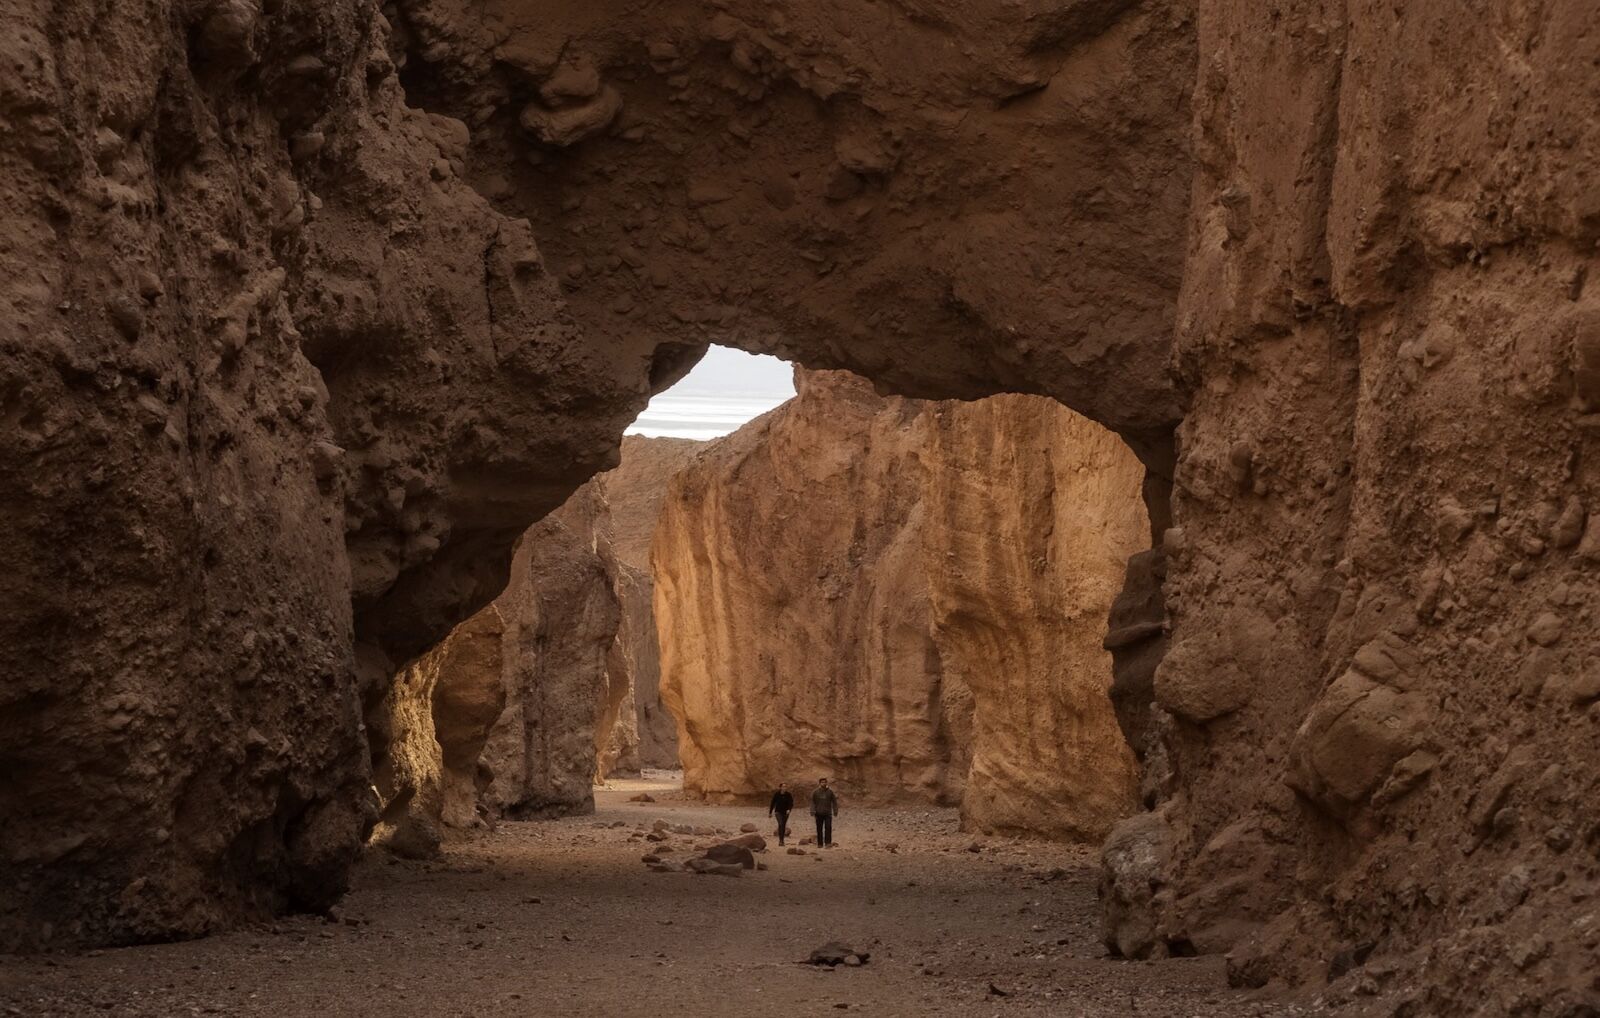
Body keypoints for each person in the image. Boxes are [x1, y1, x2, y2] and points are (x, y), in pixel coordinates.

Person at [811, 777, 839, 848]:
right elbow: (812, 802)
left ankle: (828, 843)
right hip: (818, 813)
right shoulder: (815, 792)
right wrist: (812, 810)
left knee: (828, 828)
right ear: (820, 783)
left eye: (825, 782)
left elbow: (834, 802)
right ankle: (820, 844)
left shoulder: (830, 792)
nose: (823, 783)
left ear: (826, 783)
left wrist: (835, 811)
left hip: (828, 813)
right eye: (822, 782)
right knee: (819, 829)